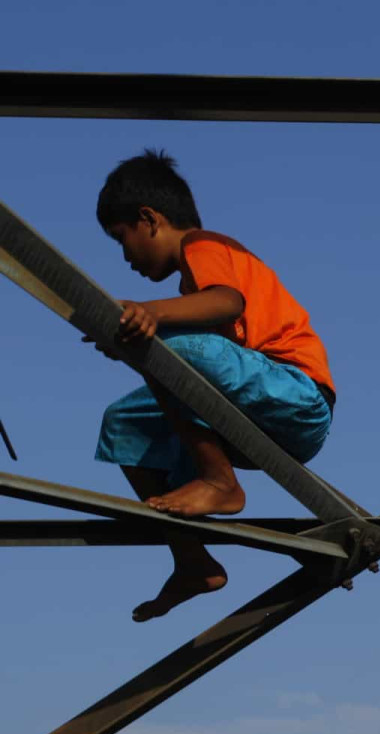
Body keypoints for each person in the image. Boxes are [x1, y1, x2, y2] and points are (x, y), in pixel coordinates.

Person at [93, 150, 335, 621]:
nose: (124, 257)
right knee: (122, 423)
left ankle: (218, 482)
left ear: (149, 219)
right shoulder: (189, 288)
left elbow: (228, 302)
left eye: (122, 240)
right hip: (250, 413)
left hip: (297, 396)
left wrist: (152, 316)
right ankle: (191, 560)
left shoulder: (205, 247)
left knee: (166, 350)